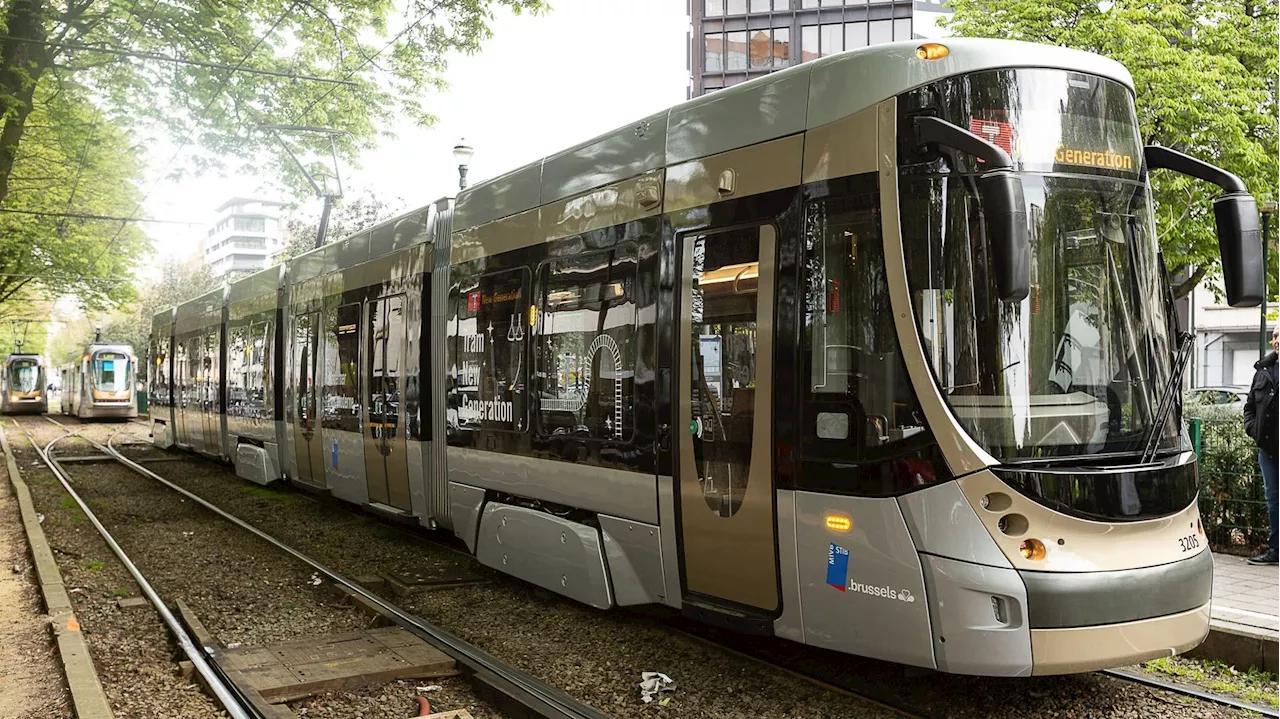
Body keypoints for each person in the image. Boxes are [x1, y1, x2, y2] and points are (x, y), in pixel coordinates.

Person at [1243, 322, 1280, 564]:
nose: (1277, 340)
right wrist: (1252, 429)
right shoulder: (1263, 370)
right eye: (1275, 336)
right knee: (1273, 500)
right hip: (1267, 450)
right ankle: (1276, 549)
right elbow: (1249, 408)